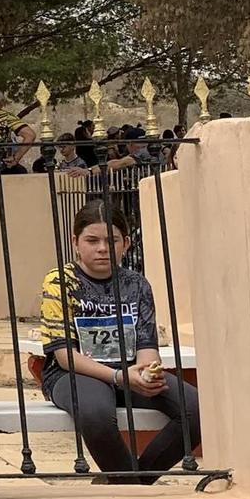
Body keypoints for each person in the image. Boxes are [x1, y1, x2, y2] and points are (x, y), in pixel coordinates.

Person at [37, 200, 200, 483]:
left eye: (111, 240)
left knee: (196, 410)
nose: (102, 248)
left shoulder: (137, 285)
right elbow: (65, 356)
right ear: (76, 242)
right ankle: (130, 487)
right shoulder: (60, 282)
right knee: (97, 415)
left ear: (125, 243)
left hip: (129, 371)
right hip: (75, 374)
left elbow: (146, 345)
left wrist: (149, 372)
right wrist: (118, 376)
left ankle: (134, 480)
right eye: (92, 240)